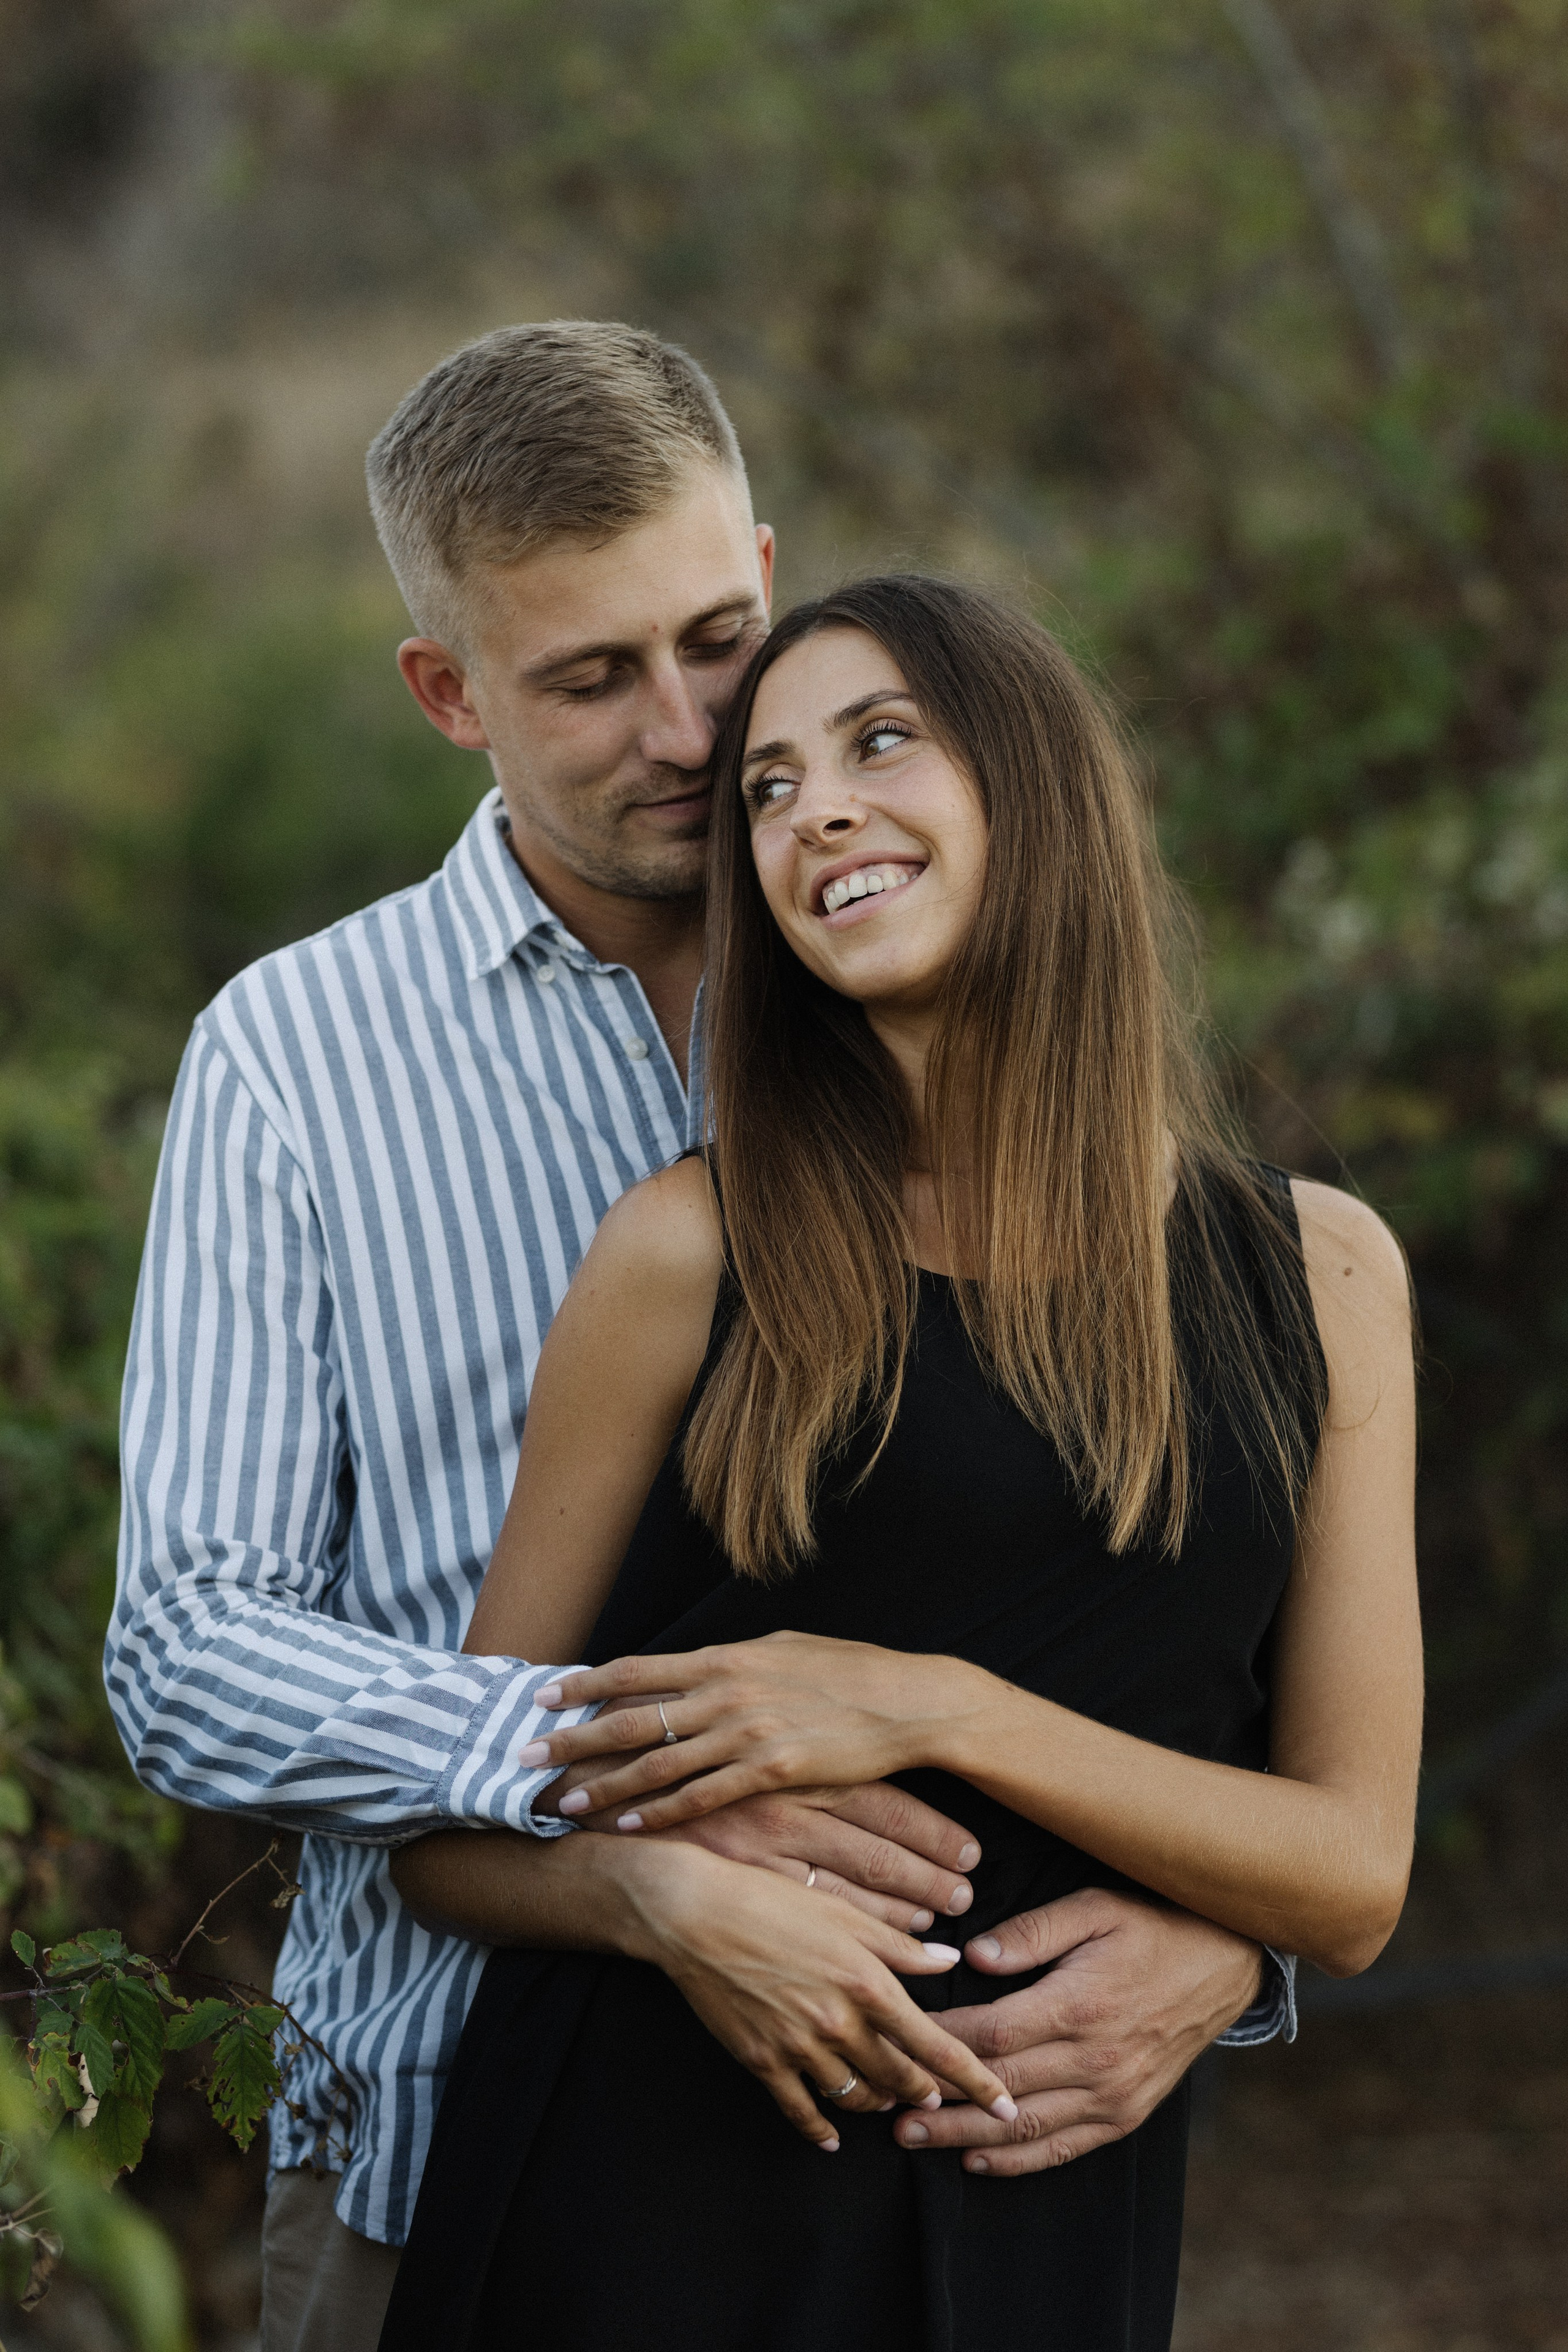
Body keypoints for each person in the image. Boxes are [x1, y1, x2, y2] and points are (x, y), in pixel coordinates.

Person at [106, 328, 1303, 2352]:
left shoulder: (937, 971)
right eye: (587, 680)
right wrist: (636, 1820)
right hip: (436, 2142)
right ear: (448, 695)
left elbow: (1144, 1579)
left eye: (718, 639)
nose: (683, 729)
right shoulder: (297, 1062)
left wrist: (1232, 1932)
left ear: (764, 561)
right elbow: (188, 1646)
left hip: (963, 2165)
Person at [382, 575, 1422, 2352]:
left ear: (1041, 787)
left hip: (1047, 2210)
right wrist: (666, 1903)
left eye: (878, 745)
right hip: (651, 2204)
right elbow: (448, 1826)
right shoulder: (686, 1254)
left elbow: (1348, 1878)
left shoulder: (1319, 1274)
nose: (817, 811)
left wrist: (936, 1707)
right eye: (769, 790)